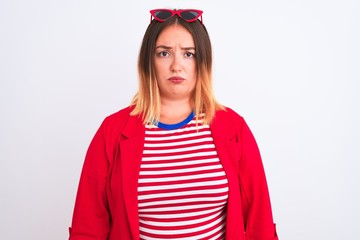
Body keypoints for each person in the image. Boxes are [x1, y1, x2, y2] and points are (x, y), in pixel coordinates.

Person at [69, 8, 278, 240]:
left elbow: (260, 222)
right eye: (164, 53)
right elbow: (88, 227)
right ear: (148, 61)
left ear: (203, 62)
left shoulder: (233, 128)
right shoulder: (112, 131)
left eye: (189, 54)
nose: (176, 66)